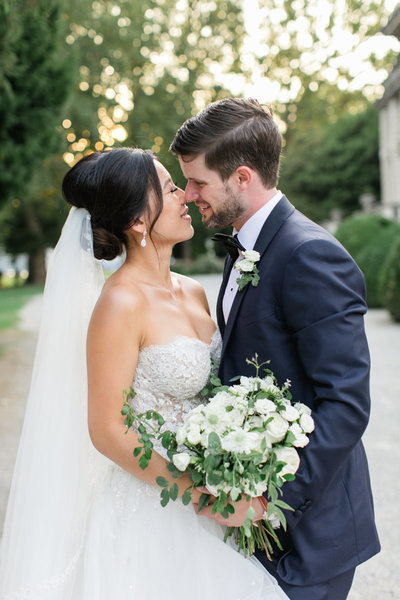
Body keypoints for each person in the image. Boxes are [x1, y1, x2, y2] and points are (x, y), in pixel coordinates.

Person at [0, 147, 289, 600]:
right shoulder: (119, 304)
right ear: (138, 222)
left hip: (214, 489)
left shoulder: (192, 291)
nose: (186, 197)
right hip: (155, 507)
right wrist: (201, 494)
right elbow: (108, 429)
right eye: (172, 189)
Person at [170, 97, 381, 600]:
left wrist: (267, 500)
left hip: (312, 536)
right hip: (255, 533)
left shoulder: (311, 255)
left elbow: (347, 405)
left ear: (242, 177)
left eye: (198, 181)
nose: (187, 193)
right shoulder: (242, 244)